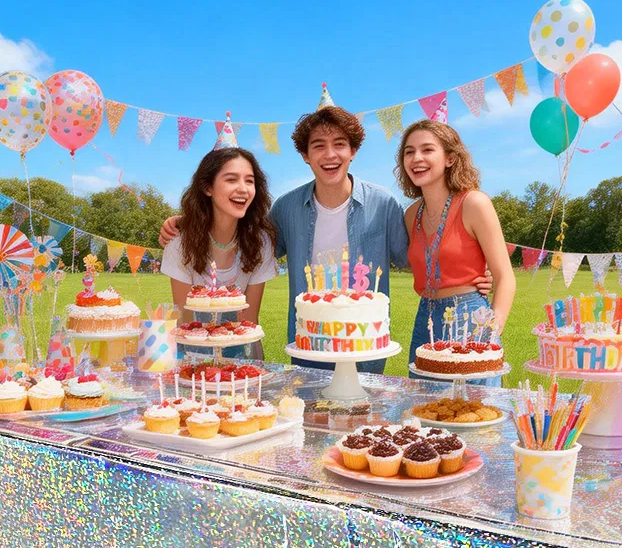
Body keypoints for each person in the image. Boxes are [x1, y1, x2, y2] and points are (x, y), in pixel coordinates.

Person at [161, 91, 492, 372]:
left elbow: (415, 257)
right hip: (308, 346)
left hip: (365, 352)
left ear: (353, 151)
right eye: (318, 145)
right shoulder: (286, 209)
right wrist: (188, 221)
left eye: (339, 144)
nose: (330, 154)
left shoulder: (383, 204)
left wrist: (474, 271)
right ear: (305, 156)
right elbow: (246, 238)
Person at [395, 119, 515, 384]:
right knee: (426, 411)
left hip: (471, 319)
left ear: (450, 158)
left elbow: (505, 276)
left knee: (474, 413)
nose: (417, 158)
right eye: (409, 151)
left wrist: (491, 333)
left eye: (427, 150)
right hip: (425, 318)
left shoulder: (474, 203)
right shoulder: (411, 214)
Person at [160, 147, 278, 360]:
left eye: (249, 181)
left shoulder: (261, 242)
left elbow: (249, 319)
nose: (243, 189)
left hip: (242, 355)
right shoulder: (178, 241)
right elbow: (185, 321)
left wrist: (246, 367)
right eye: (231, 180)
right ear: (207, 187)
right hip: (192, 356)